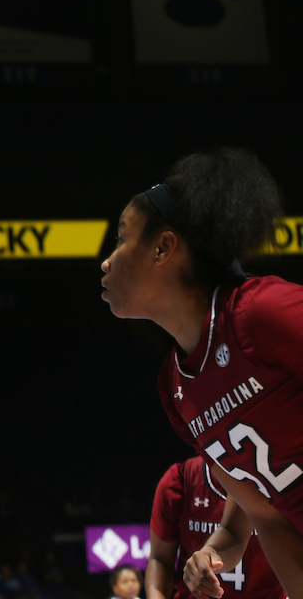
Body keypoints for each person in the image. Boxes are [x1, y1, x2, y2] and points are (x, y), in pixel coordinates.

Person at [99, 149, 303, 596]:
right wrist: (214, 551)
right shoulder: (175, 390)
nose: (106, 261)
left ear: (163, 247)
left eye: (121, 237)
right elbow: (265, 517)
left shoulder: (262, 311)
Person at [147, 455, 282, 599]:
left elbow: (232, 534)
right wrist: (208, 554)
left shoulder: (277, 473)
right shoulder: (181, 479)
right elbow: (160, 559)